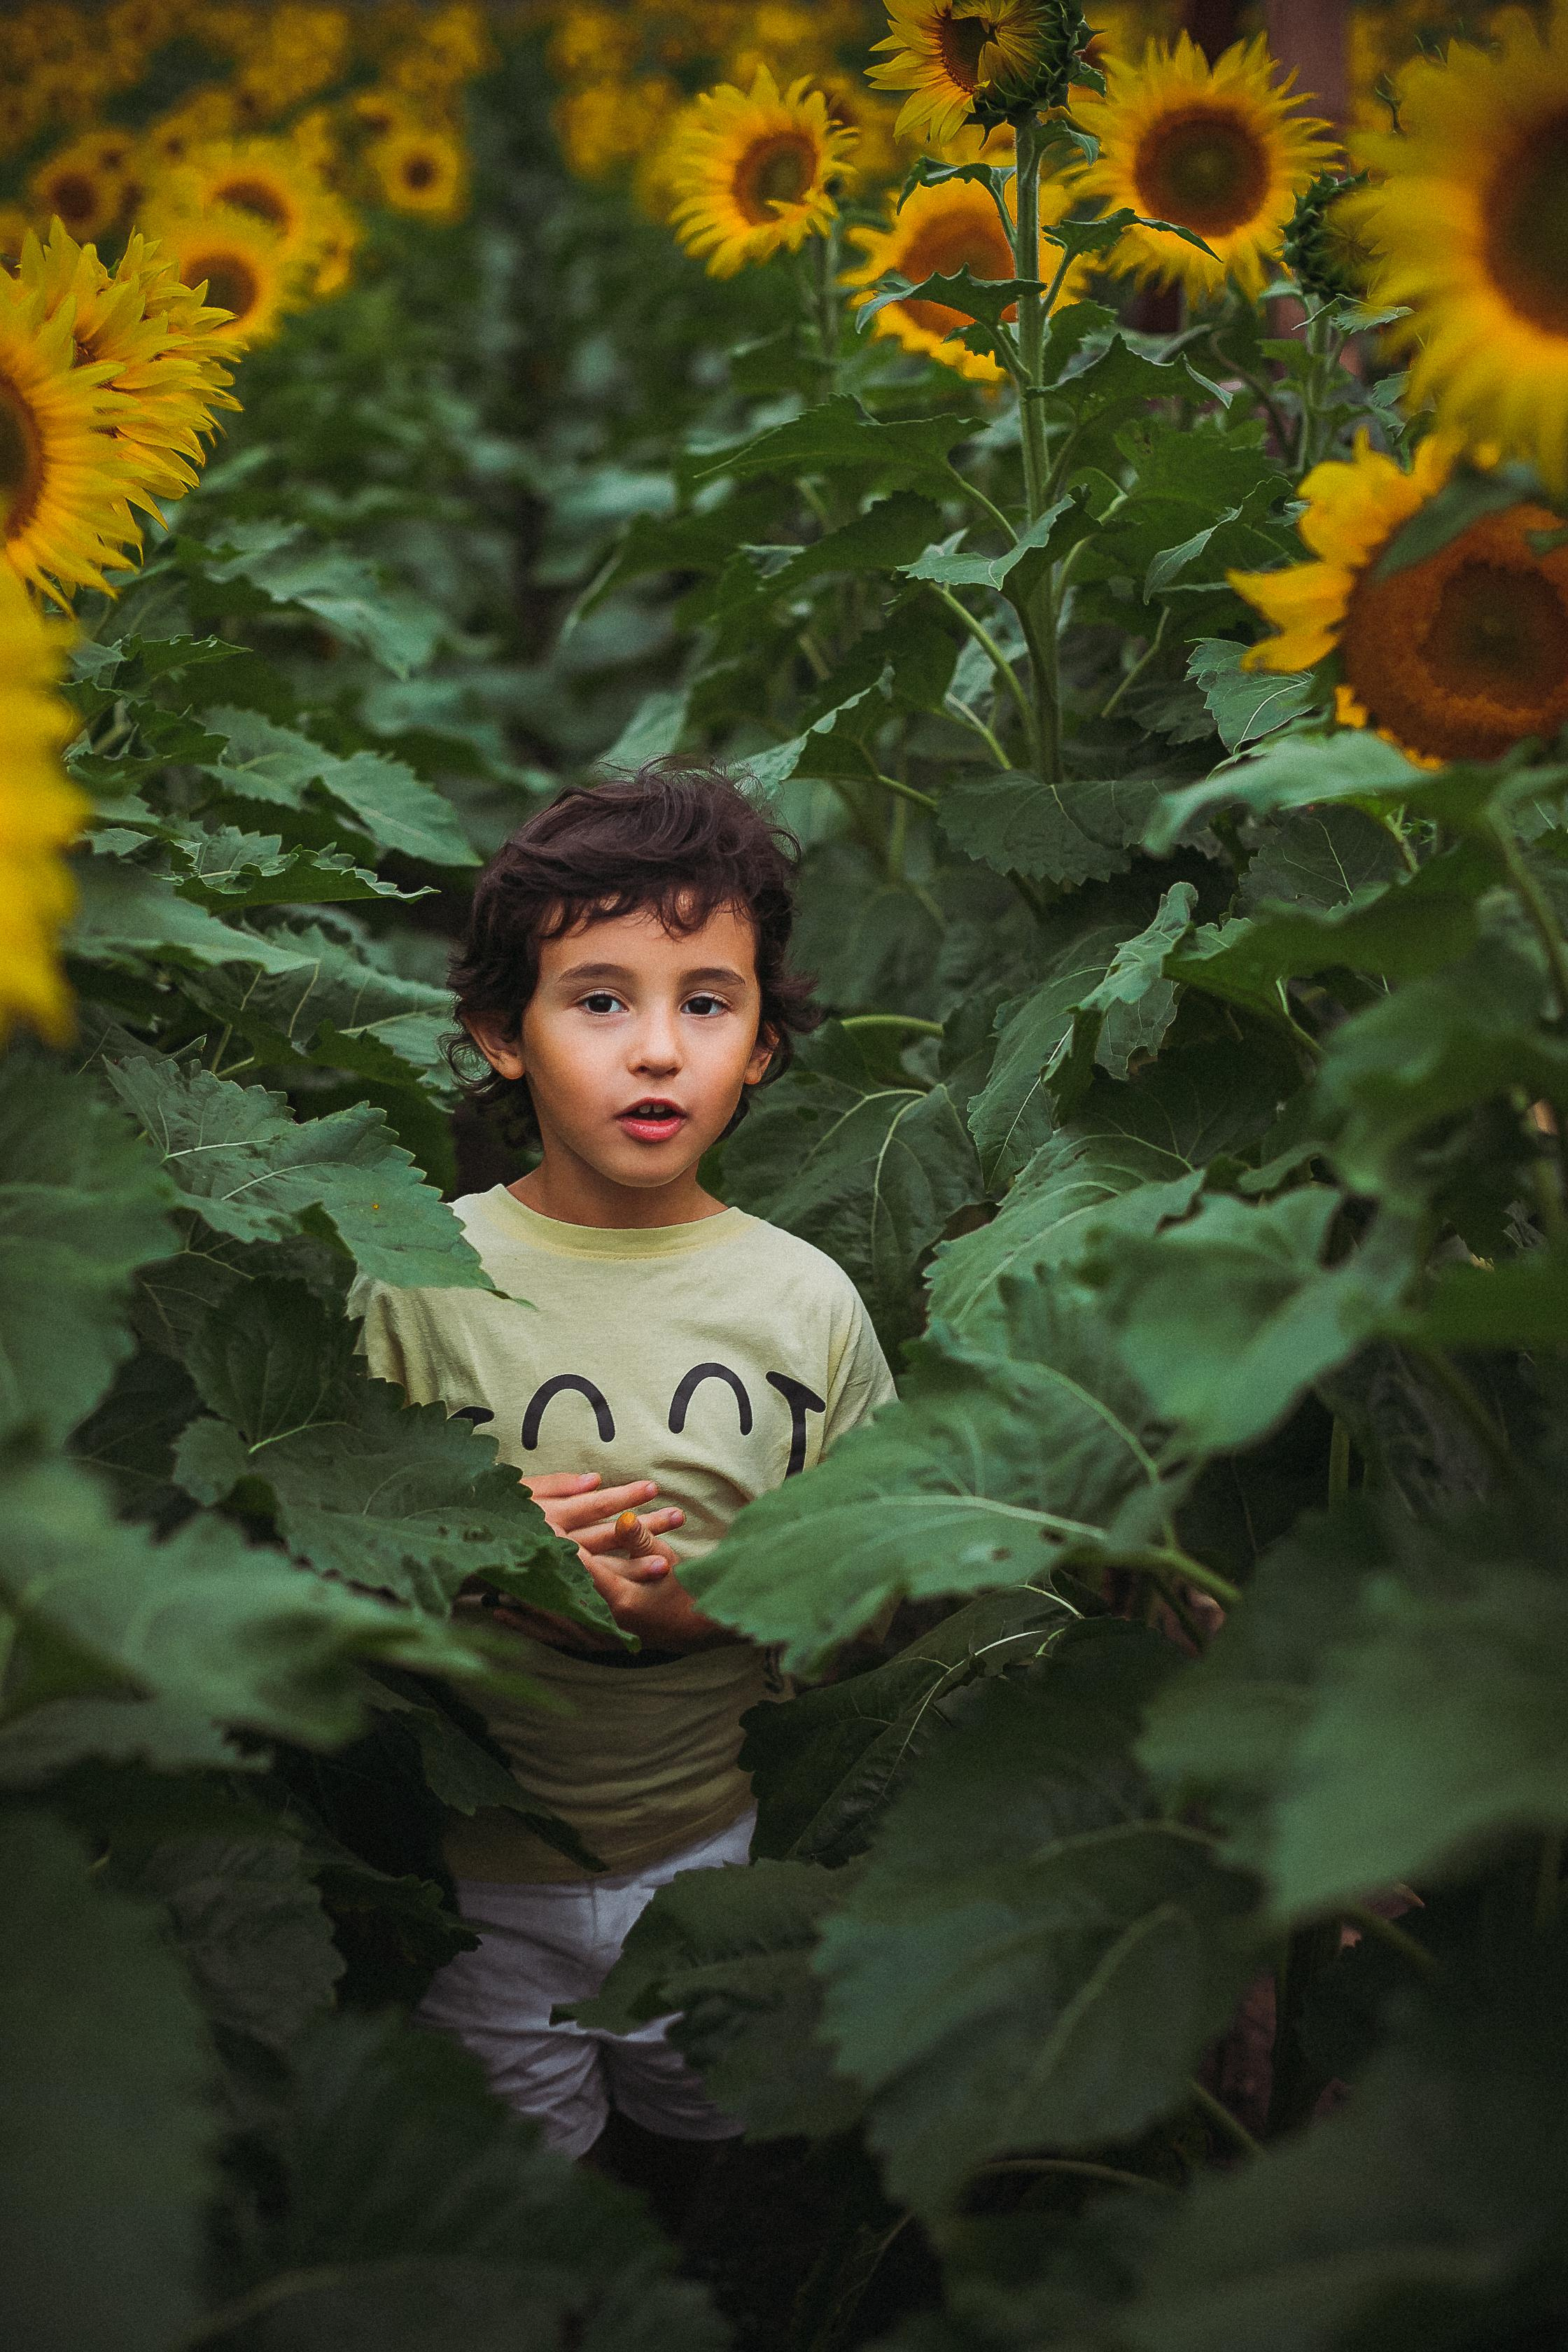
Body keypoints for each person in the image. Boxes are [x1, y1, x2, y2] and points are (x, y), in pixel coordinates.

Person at [352, 762, 895, 2218]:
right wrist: (476, 1561)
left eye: (705, 1004)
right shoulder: (414, 1276)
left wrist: (701, 1611)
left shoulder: (807, 1301)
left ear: (764, 1046)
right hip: (472, 1875)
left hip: (714, 1854)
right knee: (526, 2198)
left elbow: (869, 1565)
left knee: (720, 2139)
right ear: (498, 1035)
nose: (657, 1050)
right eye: (599, 1000)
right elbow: (330, 1542)